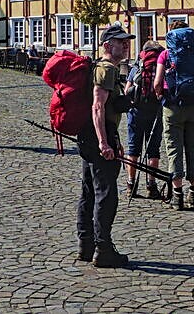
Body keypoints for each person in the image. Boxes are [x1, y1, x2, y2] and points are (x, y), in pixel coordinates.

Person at [77, 24, 134, 268]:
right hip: (98, 134)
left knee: (89, 190)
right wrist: (104, 142)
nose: (125, 44)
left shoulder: (102, 68)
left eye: (126, 41)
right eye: (121, 41)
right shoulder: (106, 69)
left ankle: (86, 245)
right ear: (108, 45)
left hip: (89, 133)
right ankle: (103, 248)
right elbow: (98, 106)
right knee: (105, 194)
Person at [153, 20, 194, 210]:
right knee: (193, 148)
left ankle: (177, 195)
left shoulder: (166, 54)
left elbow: (157, 82)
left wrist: (160, 95)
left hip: (173, 106)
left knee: (174, 150)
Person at [123, 41, 164, 199]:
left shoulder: (138, 65)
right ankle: (151, 186)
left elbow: (127, 91)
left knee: (133, 150)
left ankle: (130, 185)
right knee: (153, 151)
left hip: (136, 112)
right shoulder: (162, 66)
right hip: (155, 113)